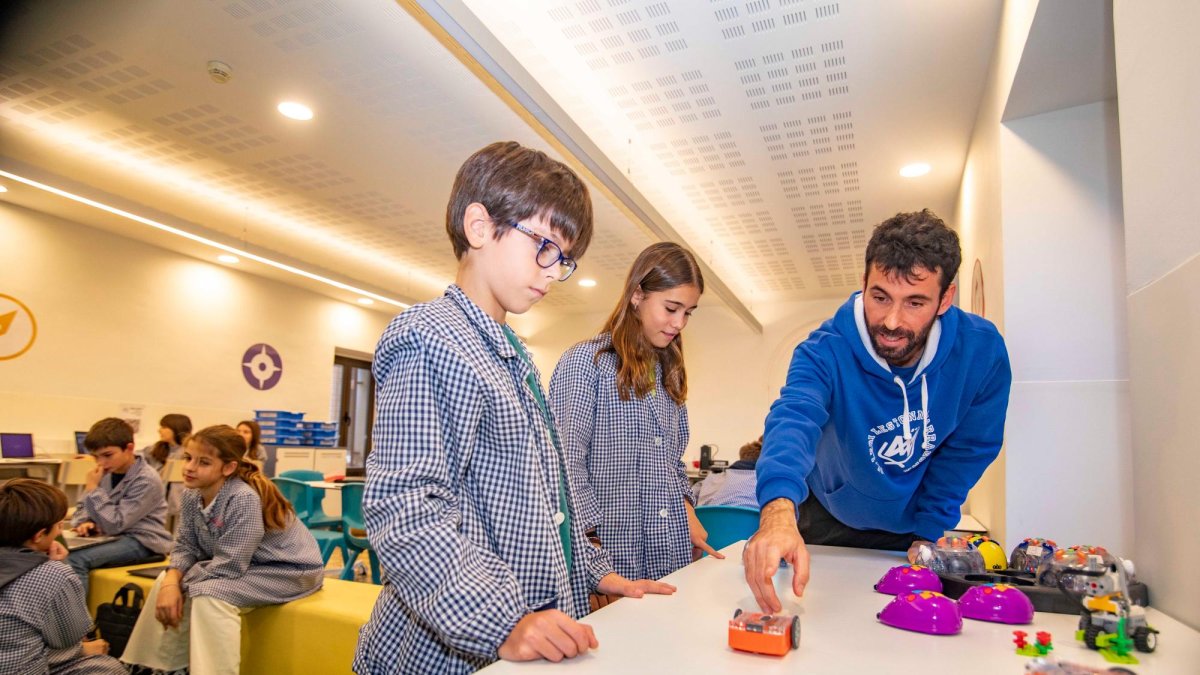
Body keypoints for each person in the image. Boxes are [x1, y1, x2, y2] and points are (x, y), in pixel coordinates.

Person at [353, 141, 674, 674]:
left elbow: (550, 499)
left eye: (564, 259)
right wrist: (503, 619)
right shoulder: (430, 337)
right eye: (544, 245)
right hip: (446, 656)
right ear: (479, 227)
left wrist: (594, 571)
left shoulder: (510, 353)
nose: (553, 270)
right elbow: (407, 509)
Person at [745, 209, 1012, 613]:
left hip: (911, 527)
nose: (891, 321)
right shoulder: (823, 350)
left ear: (946, 298)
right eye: (880, 296)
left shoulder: (981, 353)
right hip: (825, 520)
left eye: (915, 302)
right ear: (863, 284)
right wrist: (779, 511)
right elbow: (794, 419)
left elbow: (969, 450)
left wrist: (929, 530)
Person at [550, 242, 720, 589]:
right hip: (609, 566)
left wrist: (686, 511)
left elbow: (671, 463)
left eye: (688, 312)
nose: (679, 323)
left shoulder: (668, 373)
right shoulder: (586, 364)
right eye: (671, 308)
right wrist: (595, 566)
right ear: (637, 295)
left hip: (668, 555)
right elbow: (565, 470)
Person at [120, 425, 324, 675]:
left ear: (228, 468)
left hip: (289, 572)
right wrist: (172, 581)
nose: (190, 467)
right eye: (188, 458)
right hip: (249, 567)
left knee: (209, 593)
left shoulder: (242, 497)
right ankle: (157, 666)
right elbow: (186, 546)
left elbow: (230, 564)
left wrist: (180, 585)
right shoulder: (191, 495)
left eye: (203, 462)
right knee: (165, 579)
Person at [0, 478, 126, 675]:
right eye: (58, 526)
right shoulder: (52, 574)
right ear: (39, 535)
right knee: (108, 668)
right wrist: (60, 565)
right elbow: (67, 638)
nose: (60, 532)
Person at [67, 418, 171, 594]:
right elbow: (80, 509)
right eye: (95, 457)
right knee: (54, 550)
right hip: (109, 537)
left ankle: (75, 620)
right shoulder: (107, 472)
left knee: (75, 559)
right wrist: (84, 522)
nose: (101, 463)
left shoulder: (146, 479)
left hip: (142, 540)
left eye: (107, 455)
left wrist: (92, 489)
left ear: (129, 448)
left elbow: (115, 524)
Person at [692, 436, 762, 508]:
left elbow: (689, 498)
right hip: (751, 518)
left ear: (741, 457)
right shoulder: (762, 483)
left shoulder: (710, 479)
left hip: (709, 518)